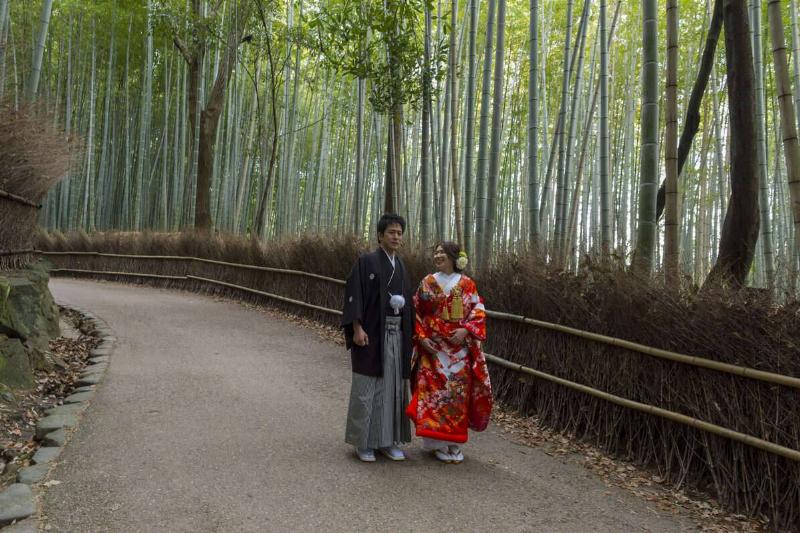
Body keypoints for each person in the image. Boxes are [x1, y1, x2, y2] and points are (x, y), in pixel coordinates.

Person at [405, 241, 492, 463]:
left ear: (455, 257)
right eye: (435, 252)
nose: (438, 255)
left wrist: (465, 330)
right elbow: (416, 313)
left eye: (443, 252)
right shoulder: (427, 282)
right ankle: (436, 443)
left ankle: (454, 441)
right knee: (433, 397)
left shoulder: (467, 284)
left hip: (458, 354)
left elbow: (478, 310)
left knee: (456, 397)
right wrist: (422, 339)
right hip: (433, 351)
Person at [342, 213, 414, 462]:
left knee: (392, 388)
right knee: (367, 387)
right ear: (380, 235)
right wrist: (356, 327)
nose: (396, 237)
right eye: (392, 232)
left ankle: (388, 440)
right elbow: (354, 295)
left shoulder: (401, 266)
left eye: (399, 233)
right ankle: (363, 442)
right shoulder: (367, 262)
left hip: (396, 335)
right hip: (372, 334)